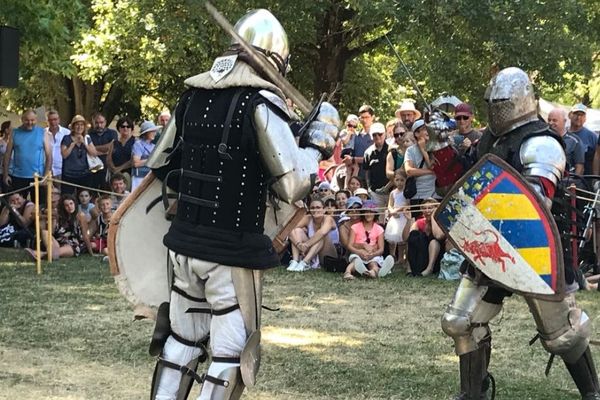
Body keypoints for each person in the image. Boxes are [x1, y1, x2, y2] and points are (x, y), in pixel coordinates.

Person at [145, 9, 338, 399]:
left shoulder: (192, 97)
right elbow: (295, 185)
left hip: (183, 247)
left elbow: (161, 162)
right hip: (231, 254)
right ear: (275, 62)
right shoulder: (260, 103)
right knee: (231, 355)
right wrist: (317, 143)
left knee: (182, 343)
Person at [441, 67, 600, 400]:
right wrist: (444, 149)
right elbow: (467, 179)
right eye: (492, 104)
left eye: (503, 104)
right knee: (460, 321)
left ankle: (592, 392)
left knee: (563, 335)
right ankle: (473, 393)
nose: (497, 110)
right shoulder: (490, 138)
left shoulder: (540, 142)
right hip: (489, 246)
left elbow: (534, 202)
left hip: (533, 249)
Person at [2, 110, 52, 201]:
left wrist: (45, 176)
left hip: (37, 177)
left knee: (39, 206)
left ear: (36, 120)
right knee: (16, 206)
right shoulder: (15, 133)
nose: (30, 123)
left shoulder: (43, 133)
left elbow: (49, 156)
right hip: (18, 177)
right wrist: (5, 174)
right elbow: (7, 155)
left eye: (32, 120)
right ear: (22, 119)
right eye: (27, 120)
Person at [25, 193, 93, 260]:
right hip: (57, 242)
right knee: (45, 232)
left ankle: (41, 254)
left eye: (71, 203)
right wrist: (50, 219)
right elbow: (51, 231)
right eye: (66, 205)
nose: (70, 207)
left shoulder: (80, 216)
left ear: (75, 203)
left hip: (72, 244)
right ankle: (50, 254)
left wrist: (91, 253)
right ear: (63, 207)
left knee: (67, 249)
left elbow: (85, 236)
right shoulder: (58, 215)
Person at [343, 200, 394, 280]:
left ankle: (373, 272)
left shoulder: (379, 229)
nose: (368, 214)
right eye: (366, 212)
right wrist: (359, 251)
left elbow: (381, 249)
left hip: (372, 254)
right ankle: (347, 273)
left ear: (375, 214)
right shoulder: (355, 227)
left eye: (371, 212)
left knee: (373, 263)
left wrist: (373, 255)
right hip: (358, 253)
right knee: (355, 261)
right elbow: (350, 245)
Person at [287, 198, 338, 272]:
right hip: (312, 251)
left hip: (328, 255)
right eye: (312, 208)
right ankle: (295, 261)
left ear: (324, 209)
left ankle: (305, 262)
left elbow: (322, 232)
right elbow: (290, 229)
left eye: (318, 207)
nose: (315, 210)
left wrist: (306, 245)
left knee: (321, 236)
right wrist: (298, 245)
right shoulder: (308, 218)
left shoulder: (328, 218)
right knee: (297, 230)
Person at [404, 119, 436, 217]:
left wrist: (423, 149)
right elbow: (409, 171)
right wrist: (430, 172)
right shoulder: (410, 150)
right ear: (417, 133)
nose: (429, 131)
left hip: (435, 194)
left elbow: (433, 166)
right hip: (418, 195)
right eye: (425, 129)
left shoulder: (436, 147)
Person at [60, 115, 99, 195]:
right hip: (69, 175)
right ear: (73, 127)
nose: (79, 127)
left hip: (84, 174)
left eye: (82, 125)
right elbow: (64, 155)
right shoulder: (66, 138)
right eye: (77, 125)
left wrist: (84, 143)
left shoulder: (87, 138)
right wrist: (72, 144)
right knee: (67, 197)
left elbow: (94, 153)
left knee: (84, 197)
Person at [405, 198, 443, 277]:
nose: (427, 210)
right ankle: (409, 268)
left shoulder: (441, 221)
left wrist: (433, 216)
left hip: (437, 256)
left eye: (430, 208)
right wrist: (408, 220)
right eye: (424, 208)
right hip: (423, 256)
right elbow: (406, 238)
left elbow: (438, 236)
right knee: (413, 235)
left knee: (434, 241)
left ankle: (429, 269)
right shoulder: (420, 222)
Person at [548, 107, 584, 175]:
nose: (551, 123)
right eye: (549, 120)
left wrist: (574, 182)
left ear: (564, 121)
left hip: (567, 181)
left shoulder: (575, 141)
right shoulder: (545, 138)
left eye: (554, 120)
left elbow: (580, 166)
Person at [363, 122, 390, 208]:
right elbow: (367, 171)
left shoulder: (391, 149)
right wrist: (369, 188)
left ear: (384, 134)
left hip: (391, 190)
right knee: (378, 218)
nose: (377, 136)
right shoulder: (368, 152)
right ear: (371, 136)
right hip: (375, 192)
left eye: (380, 134)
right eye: (374, 135)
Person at [385, 169, 409, 267]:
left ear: (406, 180)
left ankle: (401, 258)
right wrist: (391, 211)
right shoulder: (393, 193)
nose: (399, 182)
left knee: (401, 239)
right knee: (392, 238)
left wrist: (397, 210)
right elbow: (390, 205)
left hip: (403, 217)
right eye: (397, 180)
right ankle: (391, 256)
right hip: (394, 218)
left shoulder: (407, 192)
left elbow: (406, 204)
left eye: (402, 180)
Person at [88, 112, 117, 190]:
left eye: (101, 122)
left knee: (106, 191)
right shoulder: (89, 134)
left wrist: (94, 148)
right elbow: (88, 150)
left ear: (105, 122)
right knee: (93, 191)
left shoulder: (112, 133)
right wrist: (105, 149)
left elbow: (112, 148)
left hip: (108, 167)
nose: (99, 125)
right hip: (93, 168)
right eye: (96, 123)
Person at [568, 103, 596, 175]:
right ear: (570, 115)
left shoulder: (592, 136)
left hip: (586, 180)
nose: (579, 117)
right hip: (565, 178)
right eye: (576, 114)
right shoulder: (563, 134)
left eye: (582, 115)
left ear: (585, 118)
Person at [107, 116, 135, 186]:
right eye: (123, 126)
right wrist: (114, 169)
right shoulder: (114, 143)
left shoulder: (136, 142)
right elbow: (108, 159)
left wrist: (119, 169)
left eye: (128, 126)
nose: (125, 128)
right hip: (114, 175)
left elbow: (133, 160)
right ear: (119, 128)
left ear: (131, 128)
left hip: (129, 174)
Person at [131, 121, 157, 191]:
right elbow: (136, 163)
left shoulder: (154, 146)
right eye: (152, 131)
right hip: (139, 177)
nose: (154, 133)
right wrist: (151, 159)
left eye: (155, 131)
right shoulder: (138, 144)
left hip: (150, 176)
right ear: (146, 133)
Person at [46, 110, 70, 181]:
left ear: (59, 119)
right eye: (50, 120)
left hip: (62, 170)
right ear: (47, 121)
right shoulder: (43, 133)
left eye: (55, 119)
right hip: (47, 171)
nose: (53, 122)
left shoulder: (67, 133)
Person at [0, 121, 10, 193]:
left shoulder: (14, 142)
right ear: (6, 130)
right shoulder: (0, 142)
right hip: (1, 172)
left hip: (12, 172)